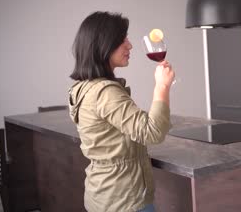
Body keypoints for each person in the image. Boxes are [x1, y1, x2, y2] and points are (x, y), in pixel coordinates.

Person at [68, 11, 174, 212]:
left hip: (103, 195)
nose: (130, 45)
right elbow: (152, 132)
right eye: (121, 39)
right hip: (124, 201)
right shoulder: (104, 93)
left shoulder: (83, 88)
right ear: (103, 45)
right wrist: (162, 86)